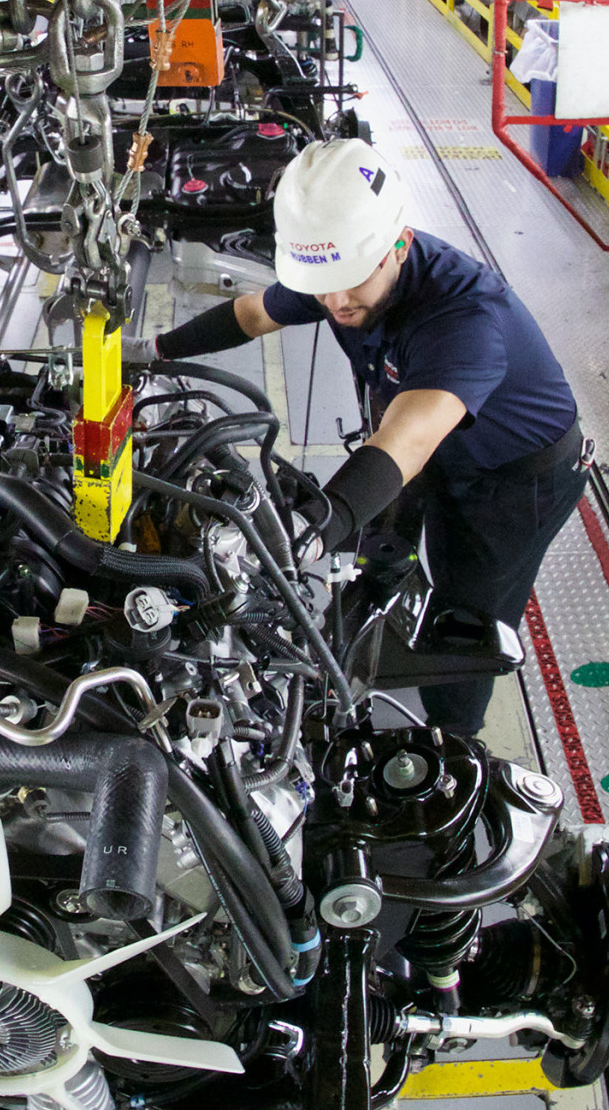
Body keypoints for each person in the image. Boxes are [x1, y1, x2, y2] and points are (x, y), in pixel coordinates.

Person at [142, 140, 585, 737]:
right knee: (384, 545)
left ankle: (453, 742)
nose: (336, 303)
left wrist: (309, 531)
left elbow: (407, 443)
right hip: (422, 441)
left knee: (464, 613)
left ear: (398, 245)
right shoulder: (337, 268)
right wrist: (152, 353)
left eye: (350, 285)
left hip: (511, 478)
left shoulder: (467, 323)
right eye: (322, 287)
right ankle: (366, 635)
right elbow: (250, 314)